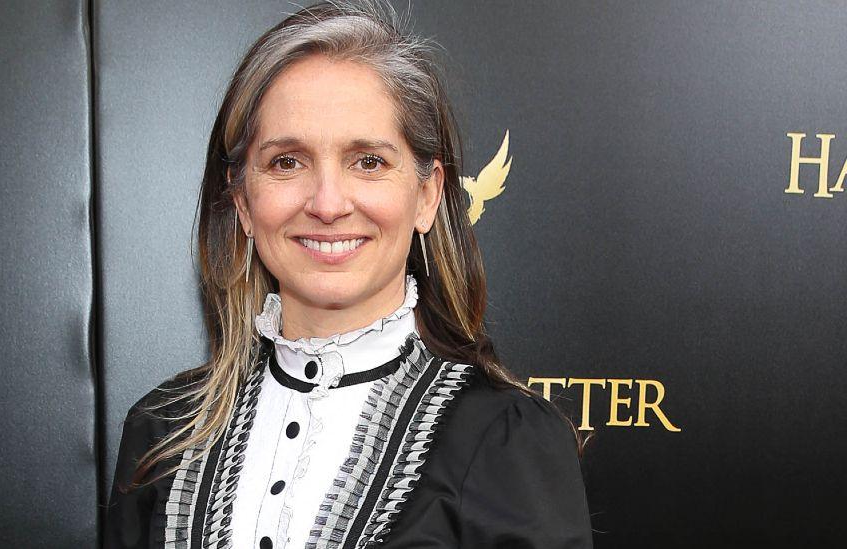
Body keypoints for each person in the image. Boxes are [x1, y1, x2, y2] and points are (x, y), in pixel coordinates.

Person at [103, 1, 593, 547]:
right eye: (287, 161)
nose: (328, 203)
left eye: (368, 162)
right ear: (242, 199)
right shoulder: (162, 431)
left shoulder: (509, 439)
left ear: (427, 195)